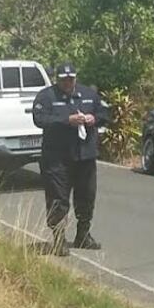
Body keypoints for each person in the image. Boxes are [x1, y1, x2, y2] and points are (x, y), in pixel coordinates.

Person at [31, 63, 108, 256]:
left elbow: (104, 113)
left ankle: (83, 235)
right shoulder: (46, 96)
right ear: (57, 79)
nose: (67, 83)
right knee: (58, 199)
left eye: (71, 79)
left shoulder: (88, 94)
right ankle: (59, 239)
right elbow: (40, 119)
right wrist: (67, 121)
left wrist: (93, 118)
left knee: (86, 196)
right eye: (63, 80)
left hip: (85, 157)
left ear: (76, 78)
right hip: (57, 158)